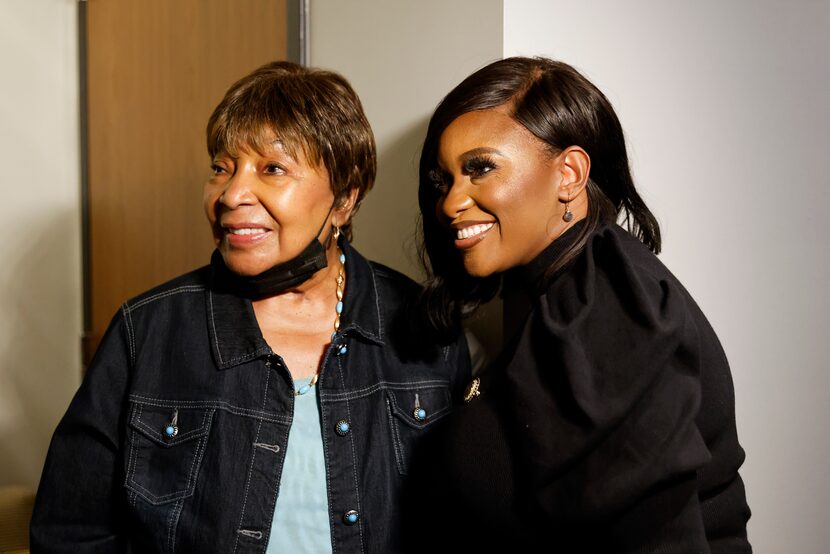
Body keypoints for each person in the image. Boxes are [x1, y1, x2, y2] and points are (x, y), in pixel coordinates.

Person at [30, 61, 470, 553]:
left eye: (272, 168)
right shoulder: (147, 331)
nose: (231, 194)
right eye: (221, 167)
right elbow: (70, 534)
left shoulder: (425, 327)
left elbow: (462, 524)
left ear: (344, 199)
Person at [407, 57, 751, 552]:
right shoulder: (553, 293)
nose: (451, 201)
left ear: (569, 174)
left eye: (480, 168)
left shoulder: (603, 309)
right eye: (446, 179)